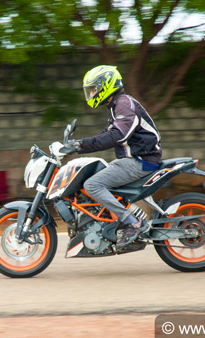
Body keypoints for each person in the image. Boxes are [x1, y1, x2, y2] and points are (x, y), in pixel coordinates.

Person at [69, 65, 162, 249]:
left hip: (140, 161)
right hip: (133, 160)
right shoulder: (117, 106)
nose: (92, 93)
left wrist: (80, 145)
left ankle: (132, 221)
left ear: (106, 85)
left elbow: (117, 135)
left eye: (94, 89)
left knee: (92, 184)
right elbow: (104, 135)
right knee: (95, 174)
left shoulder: (124, 104)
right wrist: (78, 145)